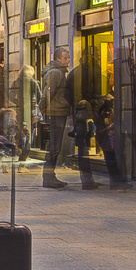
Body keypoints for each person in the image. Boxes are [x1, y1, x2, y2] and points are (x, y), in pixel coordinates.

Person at [40, 47, 75, 189]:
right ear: (58, 59)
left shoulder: (59, 72)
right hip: (56, 112)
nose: (68, 60)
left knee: (55, 146)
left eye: (68, 57)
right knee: (54, 147)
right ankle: (48, 178)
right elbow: (48, 92)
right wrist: (42, 108)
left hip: (58, 111)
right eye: (65, 58)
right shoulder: (56, 73)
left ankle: (50, 176)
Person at [93, 95, 131, 189]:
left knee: (112, 160)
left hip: (107, 138)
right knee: (113, 160)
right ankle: (117, 182)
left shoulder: (98, 108)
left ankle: (116, 181)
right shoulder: (105, 109)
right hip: (109, 139)